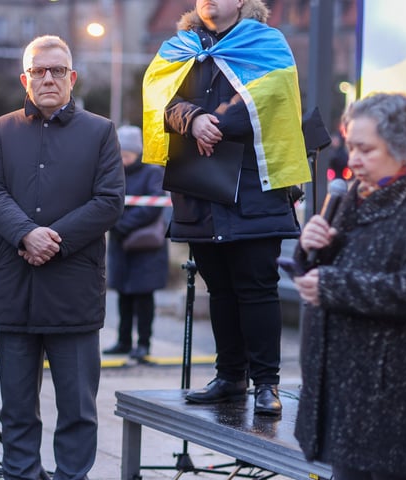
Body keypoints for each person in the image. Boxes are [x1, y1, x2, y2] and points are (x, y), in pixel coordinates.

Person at [142, 0, 311, 415]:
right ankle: (230, 377)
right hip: (200, 191)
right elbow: (160, 100)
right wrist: (191, 119)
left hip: (256, 186)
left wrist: (214, 122)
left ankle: (266, 384)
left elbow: (275, 101)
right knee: (219, 289)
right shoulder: (179, 46)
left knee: (256, 287)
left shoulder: (267, 43)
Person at [292, 92, 406, 480]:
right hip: (356, 408)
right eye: (350, 146)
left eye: (366, 150)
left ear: (402, 148)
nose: (352, 160)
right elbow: (352, 267)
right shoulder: (358, 198)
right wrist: (313, 249)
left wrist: (334, 286)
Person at [0, 35, 124, 480]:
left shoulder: (100, 131)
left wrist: (52, 238)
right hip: (14, 288)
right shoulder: (2, 129)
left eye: (57, 70)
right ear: (25, 79)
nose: (47, 78)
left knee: (77, 409)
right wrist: (25, 233)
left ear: (72, 78)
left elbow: (109, 201)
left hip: (72, 290)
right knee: (18, 408)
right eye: (38, 71)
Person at [102, 125, 169, 360]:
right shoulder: (113, 172)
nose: (124, 159)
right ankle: (123, 341)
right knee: (124, 295)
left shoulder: (152, 173)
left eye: (127, 154)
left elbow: (152, 207)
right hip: (122, 245)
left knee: (143, 297)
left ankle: (143, 343)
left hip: (145, 247)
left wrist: (122, 224)